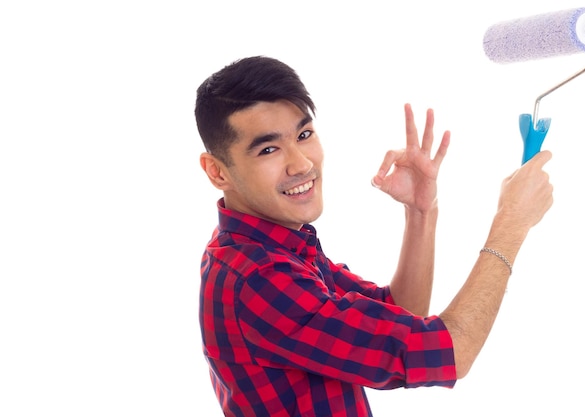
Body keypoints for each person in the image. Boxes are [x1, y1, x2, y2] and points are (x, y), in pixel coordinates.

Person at [195, 56, 553, 417]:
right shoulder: (259, 278)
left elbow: (399, 314)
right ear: (217, 171)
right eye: (268, 149)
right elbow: (453, 352)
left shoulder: (275, 246)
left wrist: (420, 211)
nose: (301, 164)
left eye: (304, 135)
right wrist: (511, 222)